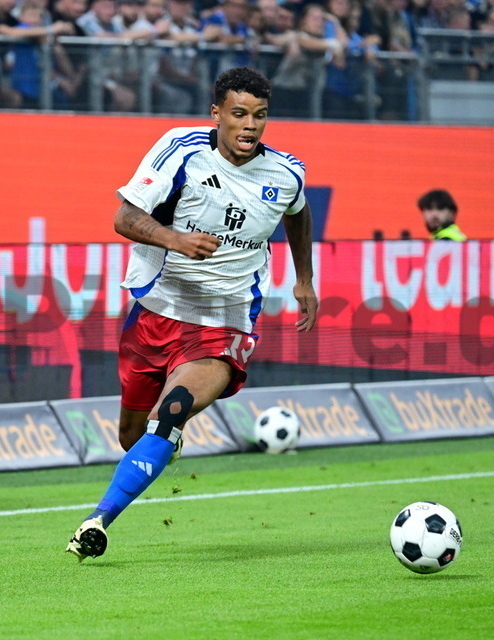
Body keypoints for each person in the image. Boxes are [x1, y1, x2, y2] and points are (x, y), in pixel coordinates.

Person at [66, 66, 318, 561]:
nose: (250, 126)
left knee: (170, 415)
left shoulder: (286, 173)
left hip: (226, 319)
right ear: (216, 113)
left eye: (260, 116)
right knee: (132, 436)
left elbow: (298, 212)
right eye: (239, 114)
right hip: (157, 311)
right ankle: (161, 444)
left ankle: (97, 521)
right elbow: (124, 217)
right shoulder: (180, 150)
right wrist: (174, 239)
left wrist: (304, 278)